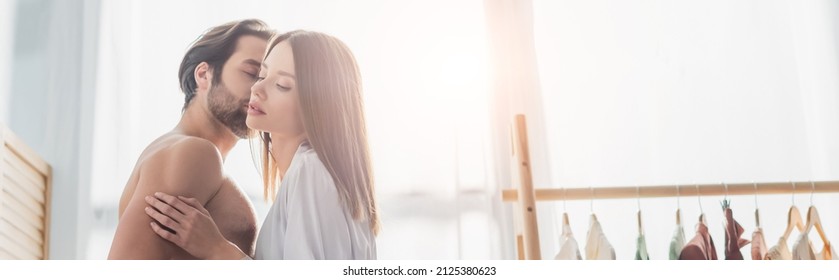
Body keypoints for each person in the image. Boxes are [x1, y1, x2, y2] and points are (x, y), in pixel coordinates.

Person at [144, 30, 380, 259]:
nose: (256, 89)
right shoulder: (314, 174)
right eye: (261, 76)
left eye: (282, 85)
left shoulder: (312, 170)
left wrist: (217, 249)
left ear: (321, 103)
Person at [107, 19, 274, 259]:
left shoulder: (185, 151)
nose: (261, 90)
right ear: (204, 74)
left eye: (271, 81)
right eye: (252, 73)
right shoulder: (193, 152)